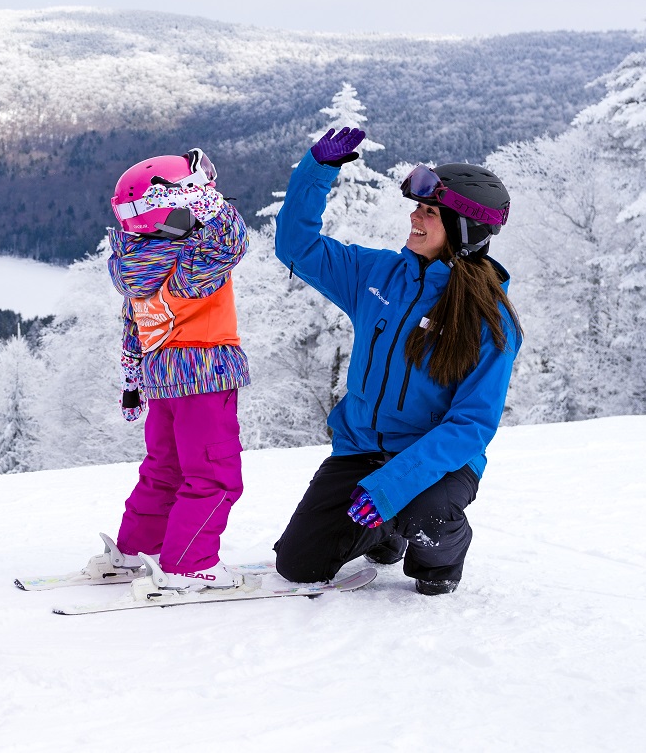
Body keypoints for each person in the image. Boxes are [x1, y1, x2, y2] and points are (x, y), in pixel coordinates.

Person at [271, 127, 522, 595]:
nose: (415, 217)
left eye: (430, 212)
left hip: (437, 464)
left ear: (463, 230)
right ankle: (385, 531)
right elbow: (295, 247)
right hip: (361, 449)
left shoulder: (490, 321)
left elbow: (471, 425)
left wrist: (390, 487)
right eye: (418, 207)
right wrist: (316, 170)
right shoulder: (378, 275)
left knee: (424, 516)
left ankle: (439, 554)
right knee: (298, 564)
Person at [95, 149, 251, 591]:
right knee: (214, 473)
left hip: (163, 381)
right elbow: (231, 241)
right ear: (178, 208)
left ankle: (133, 551)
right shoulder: (188, 265)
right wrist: (206, 200)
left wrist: (133, 381)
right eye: (195, 199)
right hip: (204, 377)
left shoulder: (140, 264)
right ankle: (190, 562)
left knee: (166, 468)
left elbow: (134, 328)